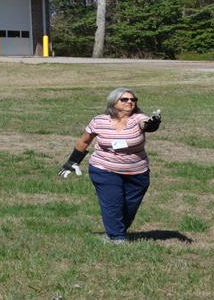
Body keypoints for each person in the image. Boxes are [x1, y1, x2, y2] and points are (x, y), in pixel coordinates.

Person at [58, 88, 163, 243]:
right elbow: (84, 141)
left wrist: (153, 123)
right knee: (113, 203)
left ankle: (114, 231)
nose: (130, 102)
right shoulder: (99, 121)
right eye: (125, 99)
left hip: (137, 172)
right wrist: (72, 162)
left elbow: (146, 124)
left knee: (129, 207)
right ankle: (117, 238)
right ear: (113, 102)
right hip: (104, 169)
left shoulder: (138, 118)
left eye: (133, 100)